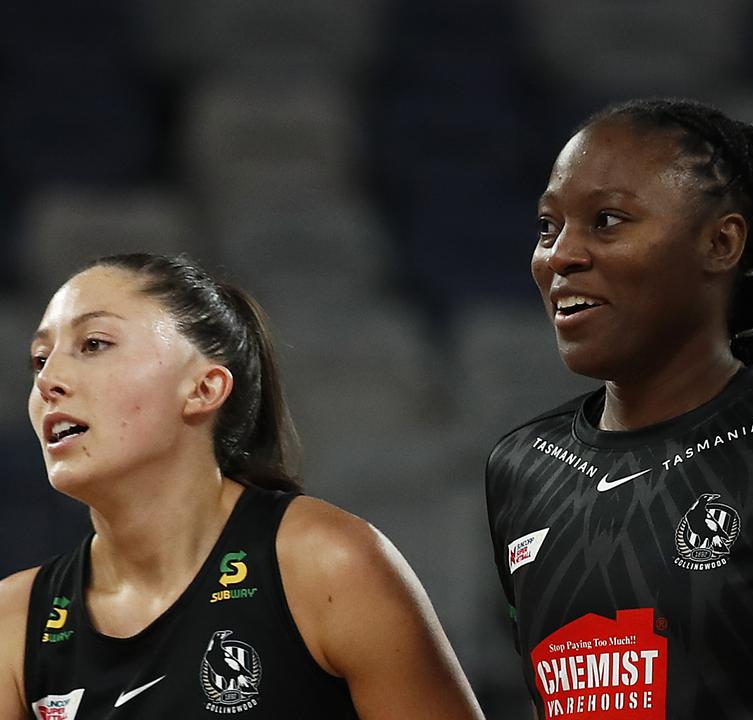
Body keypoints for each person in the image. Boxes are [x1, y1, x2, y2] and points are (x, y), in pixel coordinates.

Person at [486, 98, 753, 718]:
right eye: (548, 225)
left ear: (721, 242)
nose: (560, 256)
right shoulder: (520, 467)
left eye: (607, 220)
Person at [0, 254, 484, 719]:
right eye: (40, 360)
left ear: (204, 388)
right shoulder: (14, 620)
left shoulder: (327, 564)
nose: (49, 381)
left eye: (94, 344)